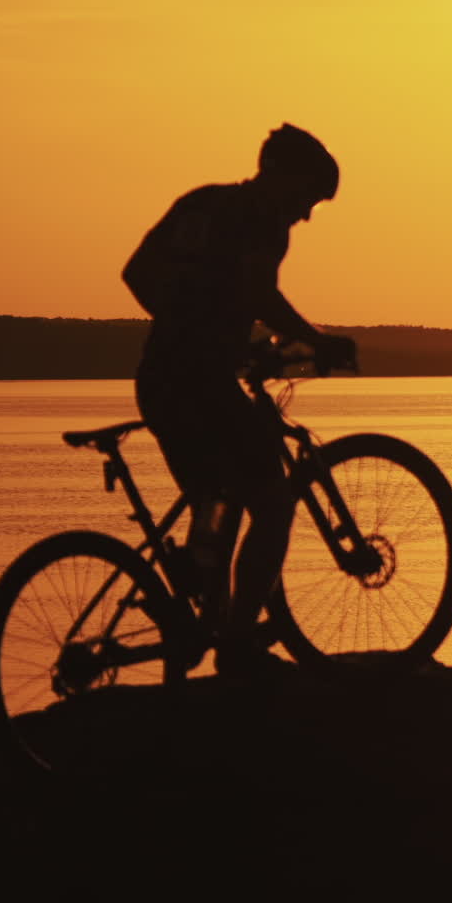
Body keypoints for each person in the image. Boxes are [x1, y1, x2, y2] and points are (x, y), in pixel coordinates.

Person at [122, 123, 357, 675]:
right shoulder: (259, 223)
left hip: (164, 377)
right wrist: (315, 341)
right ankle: (235, 647)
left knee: (218, 498)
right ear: (282, 178)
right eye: (308, 200)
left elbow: (141, 274)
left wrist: (192, 327)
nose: (305, 215)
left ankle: (202, 615)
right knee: (272, 505)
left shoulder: (204, 203)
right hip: (194, 381)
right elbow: (259, 296)